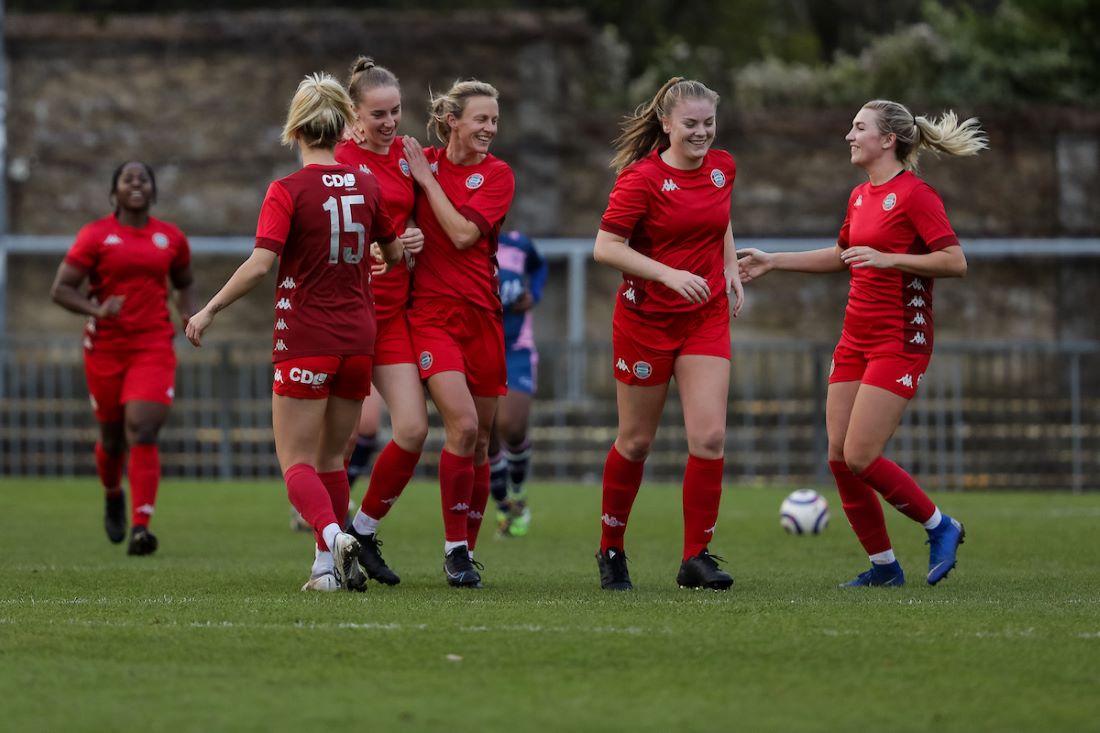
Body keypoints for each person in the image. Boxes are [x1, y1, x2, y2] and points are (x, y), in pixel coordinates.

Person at [737, 99, 987, 587]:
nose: (849, 136)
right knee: (838, 456)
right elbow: (843, 255)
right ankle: (884, 568)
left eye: (858, 128)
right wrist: (773, 261)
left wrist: (893, 260)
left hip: (900, 339)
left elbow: (955, 261)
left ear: (887, 139)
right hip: (855, 337)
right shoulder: (859, 197)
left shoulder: (916, 195)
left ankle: (942, 526)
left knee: (861, 455)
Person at [186, 72, 403, 592]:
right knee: (333, 459)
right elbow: (395, 256)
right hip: (358, 341)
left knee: (295, 463)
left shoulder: (286, 189)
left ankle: (333, 535)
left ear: (298, 129)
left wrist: (209, 309)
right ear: (340, 128)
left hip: (306, 335)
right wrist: (370, 254)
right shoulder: (368, 184)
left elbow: (262, 264)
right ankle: (324, 571)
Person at [592, 77, 743, 591]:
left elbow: (718, 217)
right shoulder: (641, 180)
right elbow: (606, 247)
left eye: (708, 123)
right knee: (636, 443)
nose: (702, 133)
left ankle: (695, 559)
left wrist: (730, 269)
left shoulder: (723, 167)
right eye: (691, 125)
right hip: (645, 321)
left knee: (709, 436)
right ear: (666, 124)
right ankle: (611, 548)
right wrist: (666, 273)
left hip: (705, 317)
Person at [402, 78, 515, 588]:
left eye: (494, 120)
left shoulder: (498, 175)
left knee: (483, 441)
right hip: (430, 317)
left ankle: (467, 551)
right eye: (481, 119)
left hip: (483, 319)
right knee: (464, 426)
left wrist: (428, 182)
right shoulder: (419, 162)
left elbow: (465, 234)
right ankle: (453, 549)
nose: (490, 128)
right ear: (453, 121)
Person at [51, 161, 194, 556]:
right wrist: (96, 311)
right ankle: (113, 494)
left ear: (152, 190)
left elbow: (184, 283)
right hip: (106, 348)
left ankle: (140, 526)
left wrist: (189, 314)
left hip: (153, 345)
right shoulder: (96, 236)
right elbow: (61, 289)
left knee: (143, 428)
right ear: (114, 191)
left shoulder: (171, 238)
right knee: (112, 438)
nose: (136, 183)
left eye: (143, 178)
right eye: (127, 178)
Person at [333, 55, 428, 586]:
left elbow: (409, 220)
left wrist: (410, 237)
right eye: (378, 115)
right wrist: (368, 243)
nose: (390, 123)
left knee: (413, 429)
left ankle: (363, 530)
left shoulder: (407, 156)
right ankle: (329, 550)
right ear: (353, 113)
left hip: (391, 317)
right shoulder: (341, 158)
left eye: (396, 112)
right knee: (343, 441)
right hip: (349, 314)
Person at [488, 229, 547, 537]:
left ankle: (519, 493)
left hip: (516, 348)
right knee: (485, 435)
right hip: (479, 343)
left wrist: (533, 294)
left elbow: (540, 266)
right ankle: (503, 507)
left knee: (511, 426)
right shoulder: (460, 238)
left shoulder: (518, 243)